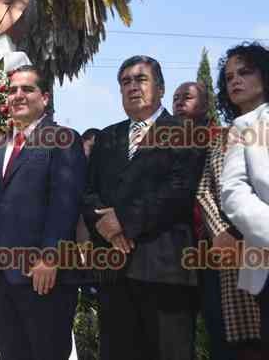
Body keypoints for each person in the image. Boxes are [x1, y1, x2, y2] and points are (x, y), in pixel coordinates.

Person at [0, 64, 86, 360]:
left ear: (45, 98)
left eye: (27, 89)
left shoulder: (64, 140)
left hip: (43, 277)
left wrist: (50, 256)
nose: (18, 95)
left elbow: (65, 204)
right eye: (12, 90)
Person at [82, 56, 202, 360]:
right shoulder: (107, 137)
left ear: (160, 88)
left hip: (164, 271)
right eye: (126, 82)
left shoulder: (184, 131)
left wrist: (124, 221)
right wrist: (108, 230)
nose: (132, 87)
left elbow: (180, 190)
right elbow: (88, 193)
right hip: (114, 272)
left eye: (141, 79)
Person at [176, 76, 262, 360]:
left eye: (187, 97)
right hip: (214, 249)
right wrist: (222, 232)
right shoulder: (220, 139)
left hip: (253, 241)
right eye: (230, 77)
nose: (179, 103)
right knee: (225, 334)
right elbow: (205, 190)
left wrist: (245, 230)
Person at [219, 43, 269, 357]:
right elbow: (233, 194)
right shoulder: (241, 128)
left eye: (245, 72)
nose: (235, 80)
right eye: (229, 77)